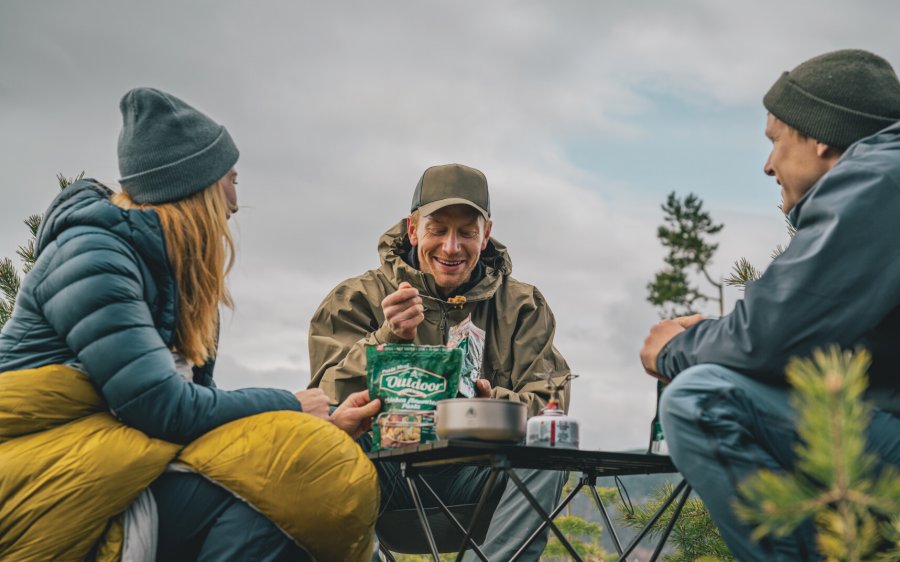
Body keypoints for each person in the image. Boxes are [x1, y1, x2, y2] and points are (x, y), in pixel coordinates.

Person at [640, 49, 900, 560]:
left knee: (700, 398)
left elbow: (769, 339)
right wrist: (719, 338)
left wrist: (675, 349)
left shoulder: (881, 181)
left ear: (820, 136)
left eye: (775, 140)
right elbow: (797, 342)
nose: (768, 165)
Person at [0, 87, 380, 561]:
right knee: (297, 480)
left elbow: (196, 410)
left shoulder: (176, 279)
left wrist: (326, 424)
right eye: (231, 180)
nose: (236, 203)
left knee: (310, 468)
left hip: (101, 470)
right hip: (34, 479)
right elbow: (160, 408)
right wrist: (291, 406)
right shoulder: (92, 257)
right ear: (195, 185)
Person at [308, 163, 572, 560]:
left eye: (466, 232)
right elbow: (324, 404)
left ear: (486, 234)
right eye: (438, 229)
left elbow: (551, 401)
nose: (451, 247)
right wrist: (387, 338)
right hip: (385, 479)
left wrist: (492, 407)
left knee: (546, 448)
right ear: (414, 229)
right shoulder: (355, 298)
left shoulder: (523, 307)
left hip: (480, 479)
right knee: (326, 441)